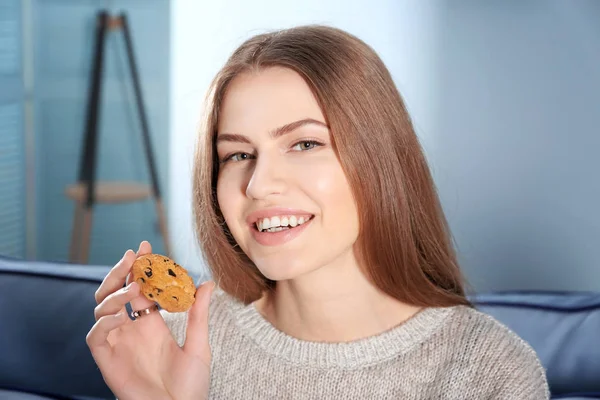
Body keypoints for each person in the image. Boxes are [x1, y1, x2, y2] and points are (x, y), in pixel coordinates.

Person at [86, 25, 550, 399]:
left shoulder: (491, 373)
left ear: (381, 158)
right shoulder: (174, 347)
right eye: (237, 155)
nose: (259, 183)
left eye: (304, 143)